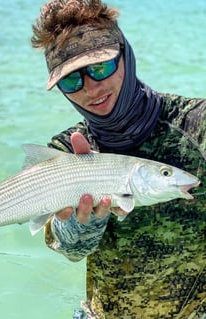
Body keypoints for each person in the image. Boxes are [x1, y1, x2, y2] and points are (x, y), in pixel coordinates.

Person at [30, 0, 206, 318]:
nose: (90, 88)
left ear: (126, 54)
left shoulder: (197, 124)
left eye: (101, 67)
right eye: (71, 80)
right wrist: (83, 223)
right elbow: (71, 251)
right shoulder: (66, 150)